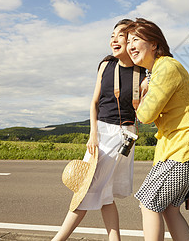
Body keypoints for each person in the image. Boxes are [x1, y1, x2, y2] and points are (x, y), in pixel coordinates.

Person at [52, 19, 146, 241]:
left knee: (87, 189)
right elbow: (94, 102)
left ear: (131, 40)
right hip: (101, 132)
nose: (114, 39)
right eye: (111, 35)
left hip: (124, 135)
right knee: (100, 193)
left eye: (120, 35)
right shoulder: (105, 65)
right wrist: (93, 133)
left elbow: (145, 113)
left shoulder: (142, 73)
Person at [124, 18, 189, 241]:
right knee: (169, 209)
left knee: (148, 203)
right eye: (128, 41)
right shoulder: (157, 71)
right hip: (182, 147)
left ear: (154, 43)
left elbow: (145, 115)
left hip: (186, 147)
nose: (130, 46)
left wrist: (143, 92)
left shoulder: (166, 67)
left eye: (136, 39)